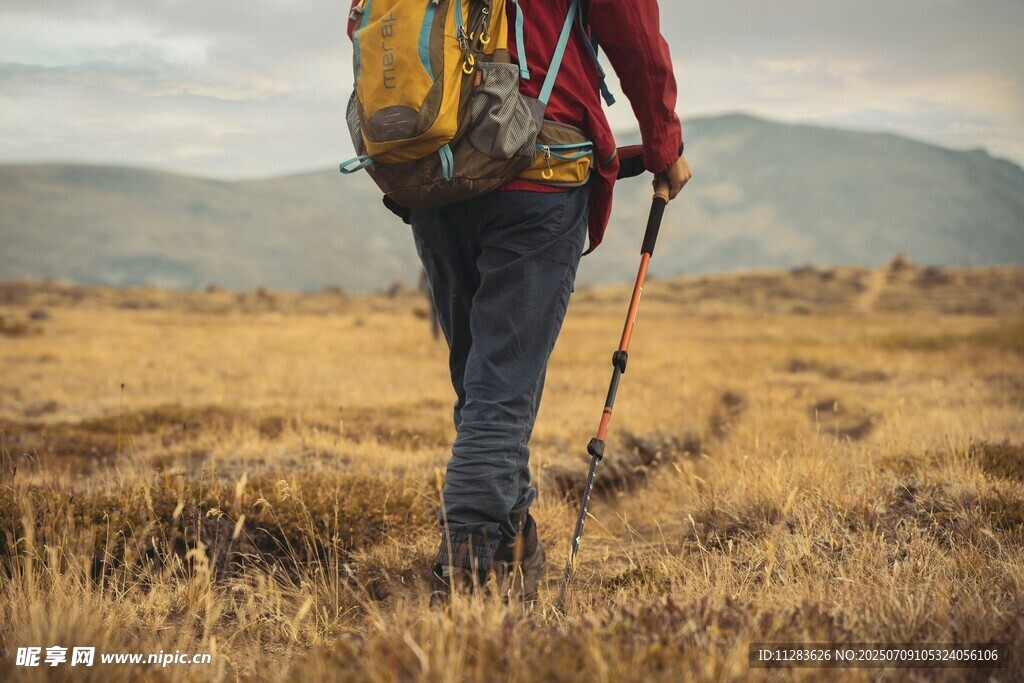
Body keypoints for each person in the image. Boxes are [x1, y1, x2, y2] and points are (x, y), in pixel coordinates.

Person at [359, 0, 691, 603]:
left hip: (436, 174)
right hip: (540, 166)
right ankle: (467, 572)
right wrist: (664, 144)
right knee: (498, 392)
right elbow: (631, 30)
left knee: (483, 387)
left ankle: (514, 543)